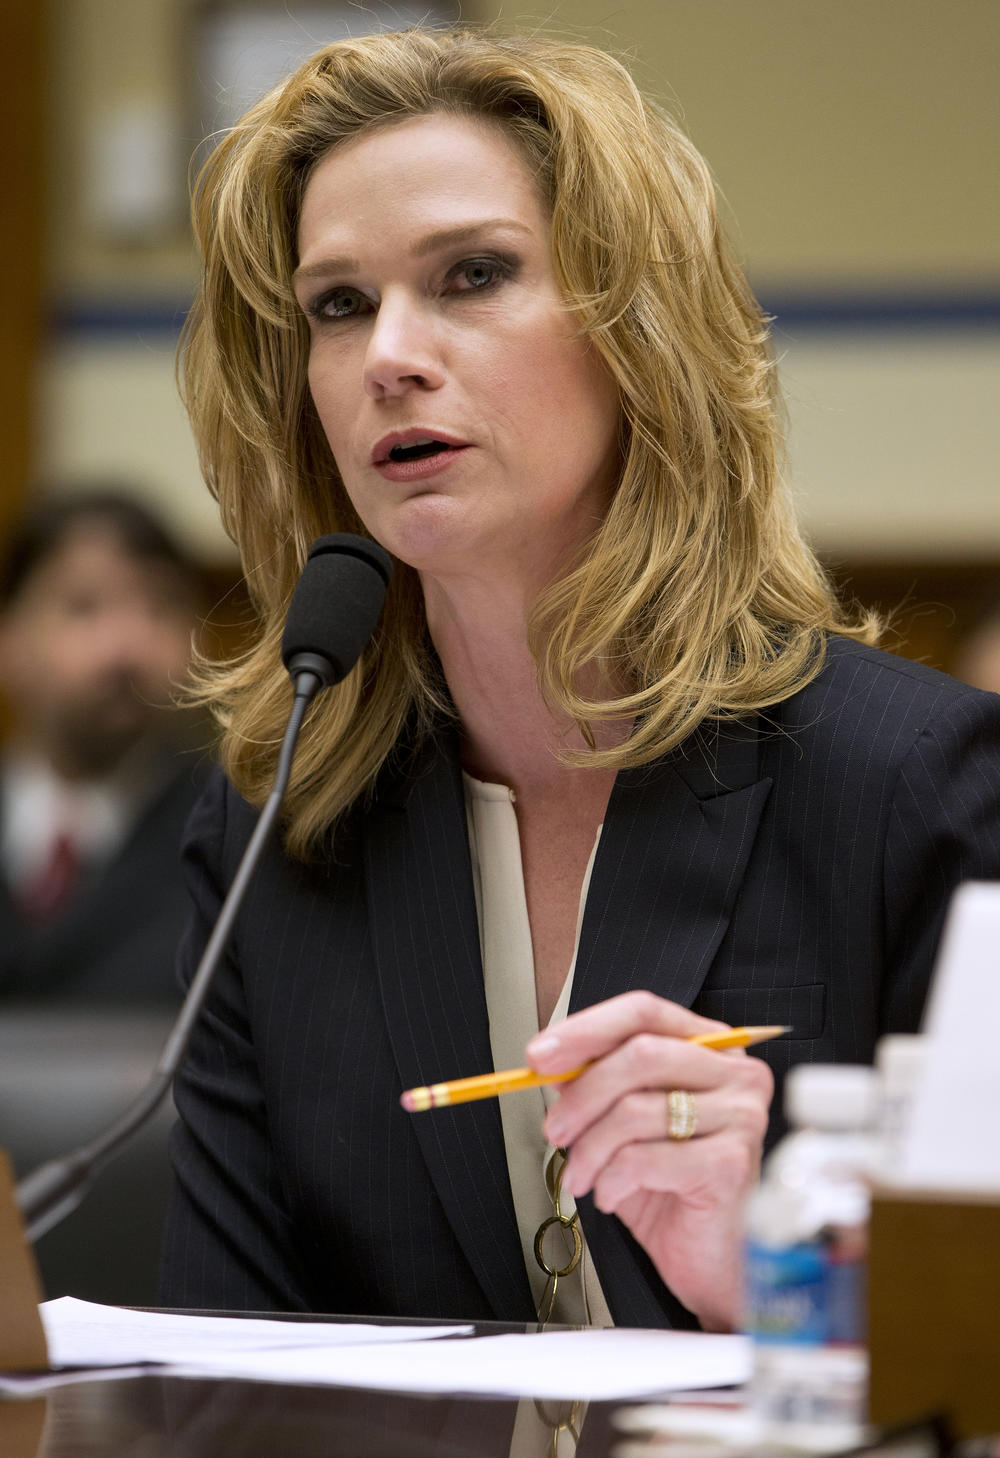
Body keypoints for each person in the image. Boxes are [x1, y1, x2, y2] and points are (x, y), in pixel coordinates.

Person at [159, 28, 1000, 1331]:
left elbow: (970, 1363)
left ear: (636, 331)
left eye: (472, 275)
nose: (389, 352)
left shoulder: (919, 790)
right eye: (338, 304)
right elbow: (221, 1363)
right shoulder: (276, 819)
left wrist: (761, 1284)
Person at [0, 490, 207, 1003]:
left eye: (160, 607)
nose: (126, 647)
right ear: (10, 640)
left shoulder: (236, 833)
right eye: (83, 607)